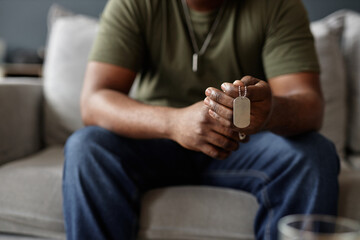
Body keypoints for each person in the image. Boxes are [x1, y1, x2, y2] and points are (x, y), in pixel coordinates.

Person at [62, 0, 340, 239]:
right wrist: (173, 123)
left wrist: (269, 112)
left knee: (313, 155)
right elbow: (95, 100)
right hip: (155, 140)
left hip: (244, 143)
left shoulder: (277, 5)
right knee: (87, 147)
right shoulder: (135, 4)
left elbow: (309, 105)